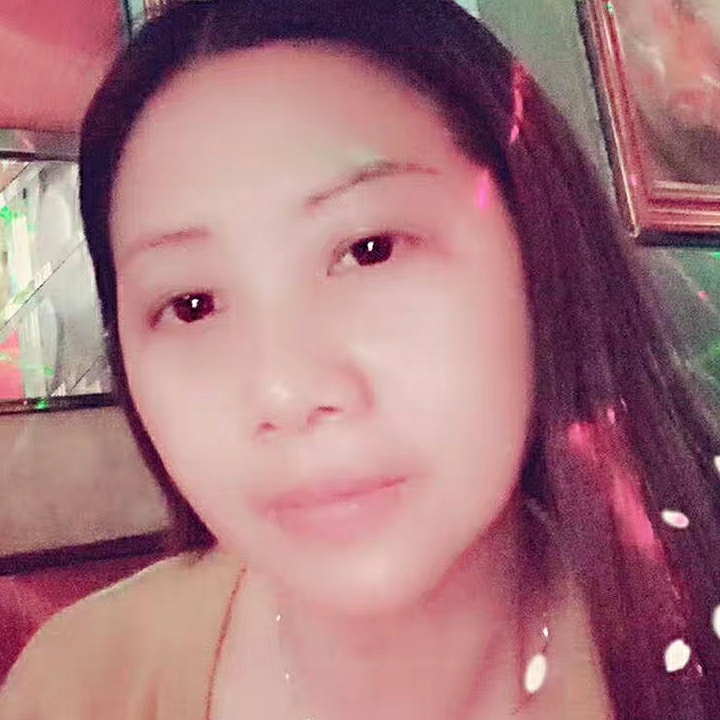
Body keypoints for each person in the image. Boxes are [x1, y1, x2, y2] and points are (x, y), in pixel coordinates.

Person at [2, 0, 720, 718]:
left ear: (539, 249)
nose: (286, 391)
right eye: (192, 304)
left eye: (369, 250)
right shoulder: (81, 686)